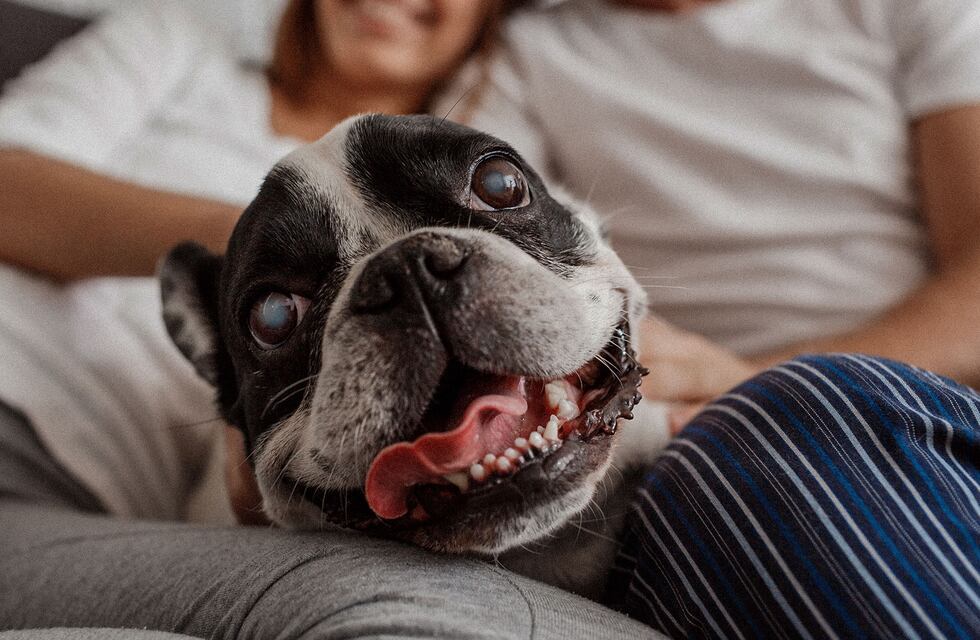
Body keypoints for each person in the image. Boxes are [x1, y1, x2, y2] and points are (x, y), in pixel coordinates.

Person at [0, 1, 658, 638]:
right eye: (276, 314)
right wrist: (248, 239)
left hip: (97, 494)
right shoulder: (179, 44)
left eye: (497, 193)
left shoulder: (501, 112)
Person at [458, 0, 980, 636]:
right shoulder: (527, 54)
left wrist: (759, 380)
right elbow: (463, 236)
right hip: (700, 440)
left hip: (920, 401)